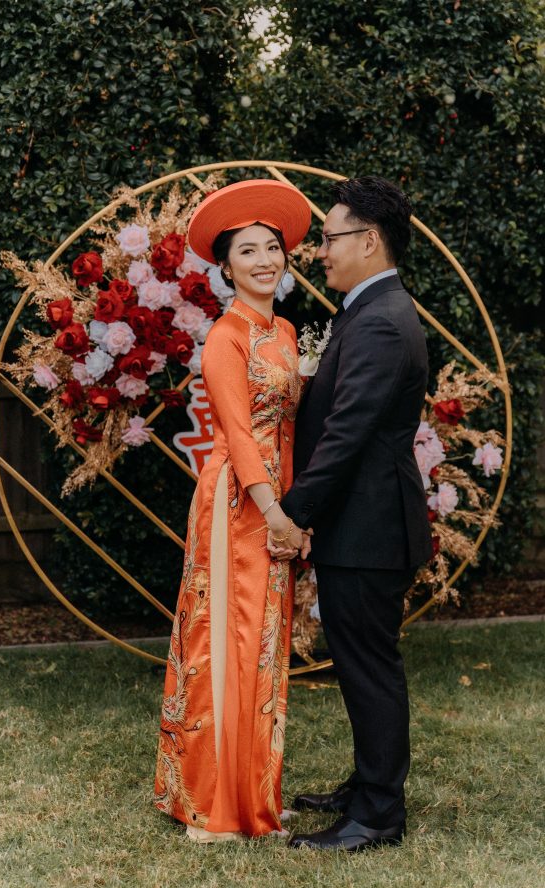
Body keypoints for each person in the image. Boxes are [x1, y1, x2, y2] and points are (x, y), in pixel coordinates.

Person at [276, 175, 433, 852]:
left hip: (370, 529)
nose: (321, 252)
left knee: (368, 665)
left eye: (332, 238)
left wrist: (292, 513)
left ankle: (376, 816)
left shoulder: (380, 320)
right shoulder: (373, 311)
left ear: (369, 241)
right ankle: (368, 785)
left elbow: (347, 432)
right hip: (364, 524)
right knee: (362, 660)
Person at [154, 179, 311, 841]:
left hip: (279, 501)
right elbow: (240, 434)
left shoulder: (283, 330)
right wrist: (274, 510)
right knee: (228, 639)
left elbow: (289, 432)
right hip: (237, 504)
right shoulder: (227, 336)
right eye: (248, 251)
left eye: (272, 248)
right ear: (226, 268)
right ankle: (217, 807)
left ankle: (257, 792)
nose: (264, 260)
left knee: (266, 644)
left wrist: (298, 508)